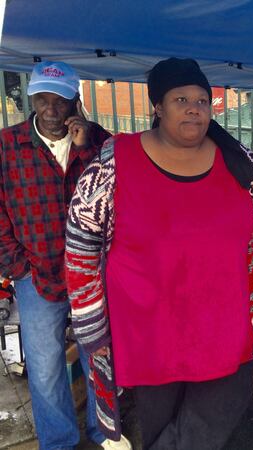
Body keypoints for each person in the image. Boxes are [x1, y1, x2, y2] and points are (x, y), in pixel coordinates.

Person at [65, 57, 253, 450]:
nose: (194, 108)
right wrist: (91, 325)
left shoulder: (243, 165)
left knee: (222, 407)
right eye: (180, 98)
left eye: (202, 100)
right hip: (148, 330)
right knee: (159, 422)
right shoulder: (113, 163)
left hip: (224, 324)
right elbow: (81, 246)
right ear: (158, 107)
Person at [0, 61, 131, 449]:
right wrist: (16, 265)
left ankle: (104, 433)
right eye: (42, 97)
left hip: (93, 273)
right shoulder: (7, 145)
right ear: (30, 97)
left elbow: (116, 196)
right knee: (44, 368)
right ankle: (58, 442)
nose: (51, 107)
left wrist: (87, 145)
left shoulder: (100, 142)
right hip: (35, 272)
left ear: (75, 99)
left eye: (59, 98)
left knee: (100, 355)